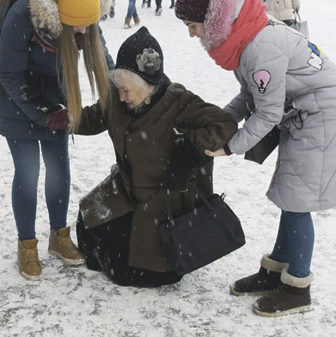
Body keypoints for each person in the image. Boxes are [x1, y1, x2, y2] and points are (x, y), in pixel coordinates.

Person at [175, 0, 336, 316]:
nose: (191, 33)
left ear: (211, 19)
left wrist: (230, 146)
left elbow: (268, 111)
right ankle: (275, 271)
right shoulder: (244, 34)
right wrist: (221, 124)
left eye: (192, 24)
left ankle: (297, 288)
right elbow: (250, 96)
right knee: (290, 196)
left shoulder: (259, 48)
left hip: (322, 117)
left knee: (297, 200)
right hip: (304, 115)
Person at [75, 26, 237, 287]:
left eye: (126, 90)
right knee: (88, 227)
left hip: (163, 202)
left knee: (138, 271)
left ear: (149, 85)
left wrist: (190, 149)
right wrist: (64, 120)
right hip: (127, 190)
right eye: (118, 88)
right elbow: (93, 118)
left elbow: (225, 123)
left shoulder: (179, 103)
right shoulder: (118, 100)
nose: (120, 96)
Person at [0, 0, 115, 281]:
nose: (85, 33)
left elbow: (104, 59)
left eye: (90, 25)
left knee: (59, 168)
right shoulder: (22, 16)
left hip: (55, 97)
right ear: (60, 15)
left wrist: (132, 83)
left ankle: (59, 236)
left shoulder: (83, 15)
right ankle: (26, 244)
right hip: (16, 97)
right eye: (78, 27)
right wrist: (44, 114)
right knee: (28, 171)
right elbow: (9, 75)